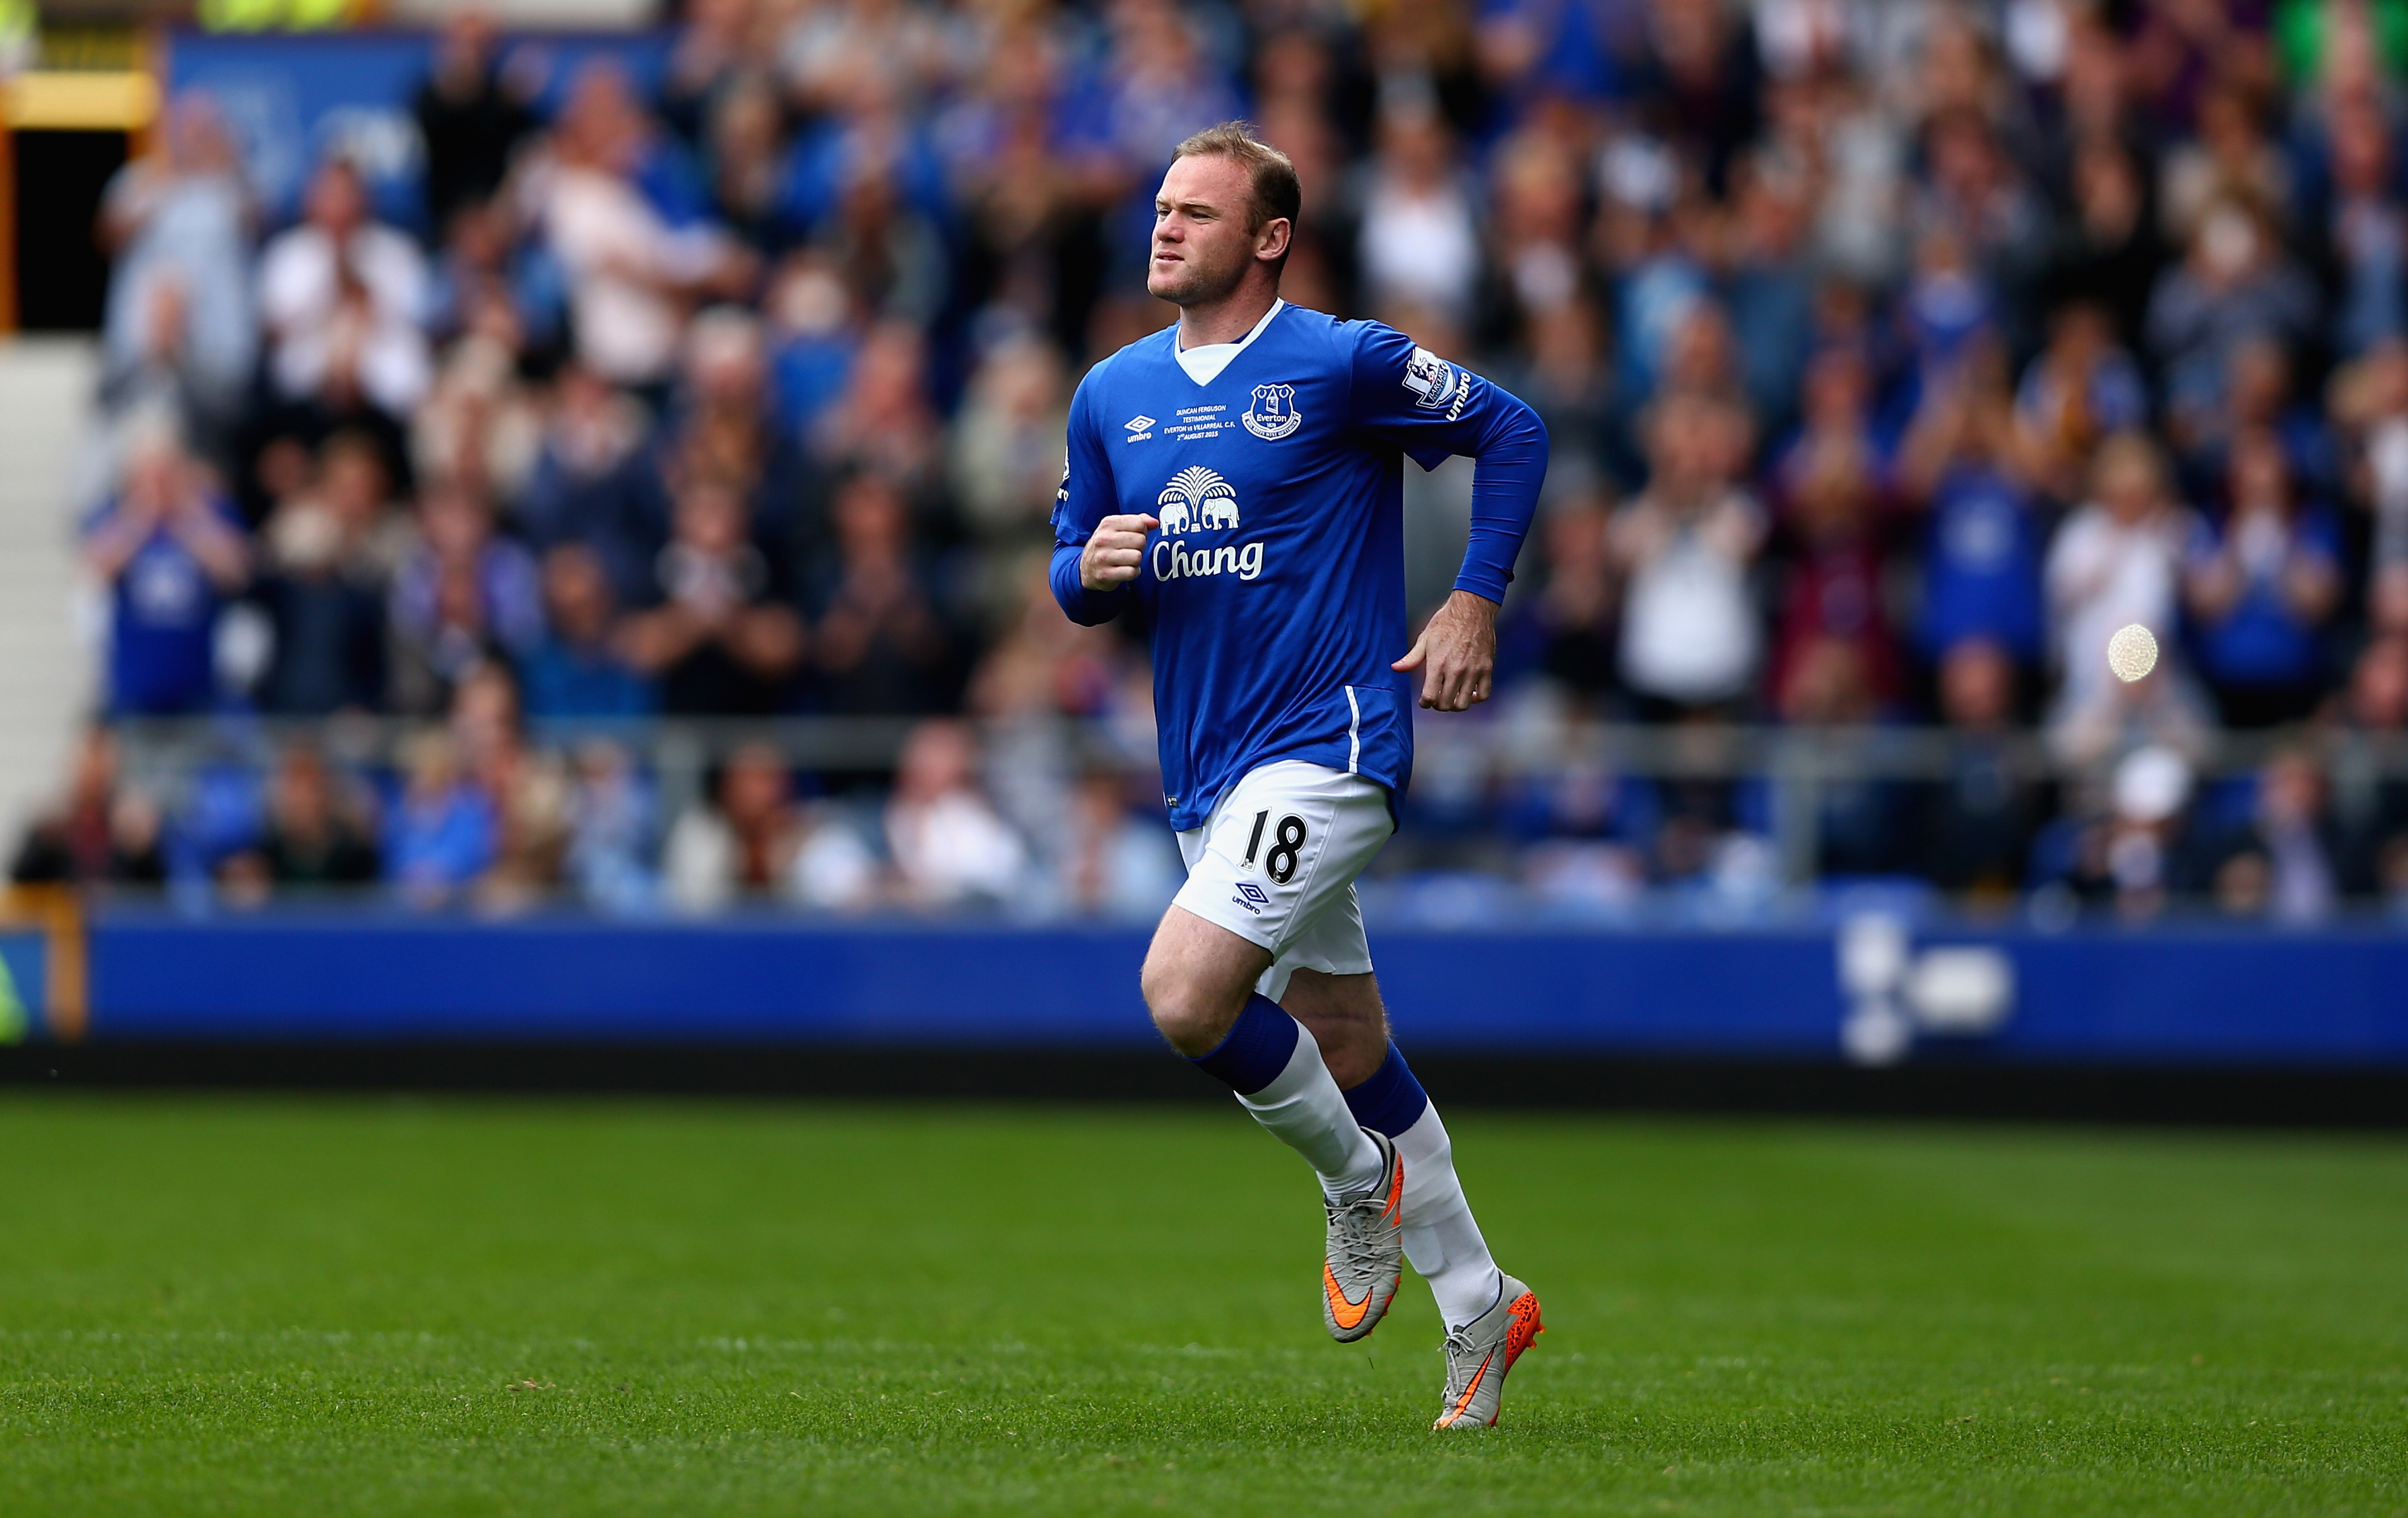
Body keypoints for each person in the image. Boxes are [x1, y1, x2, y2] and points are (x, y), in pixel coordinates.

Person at [1050, 124, 1548, 1428]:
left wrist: (1472, 604)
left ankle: (1351, 1179)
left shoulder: (1341, 361)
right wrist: (1088, 571)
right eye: (1161, 206)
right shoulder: (1111, 392)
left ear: (1269, 237)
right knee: (1345, 1039)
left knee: (1182, 993)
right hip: (1203, 766)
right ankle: (1483, 1304)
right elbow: (1073, 568)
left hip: (1326, 742)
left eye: (1198, 212)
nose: (1165, 228)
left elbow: (1515, 430)